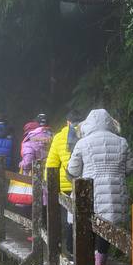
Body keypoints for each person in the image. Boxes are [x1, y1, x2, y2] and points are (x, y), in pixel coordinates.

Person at [67, 109, 133, 265]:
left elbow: (73, 170)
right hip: (115, 192)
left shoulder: (82, 143)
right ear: (110, 122)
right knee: (108, 227)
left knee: (87, 224)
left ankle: (87, 263)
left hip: (89, 192)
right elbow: (131, 168)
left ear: (88, 124)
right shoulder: (122, 142)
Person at [45, 109, 83, 255]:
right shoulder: (86, 134)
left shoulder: (60, 137)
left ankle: (71, 250)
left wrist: (47, 183)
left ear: (68, 122)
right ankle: (86, 249)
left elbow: (52, 163)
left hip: (65, 183)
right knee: (85, 217)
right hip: (85, 183)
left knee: (69, 218)